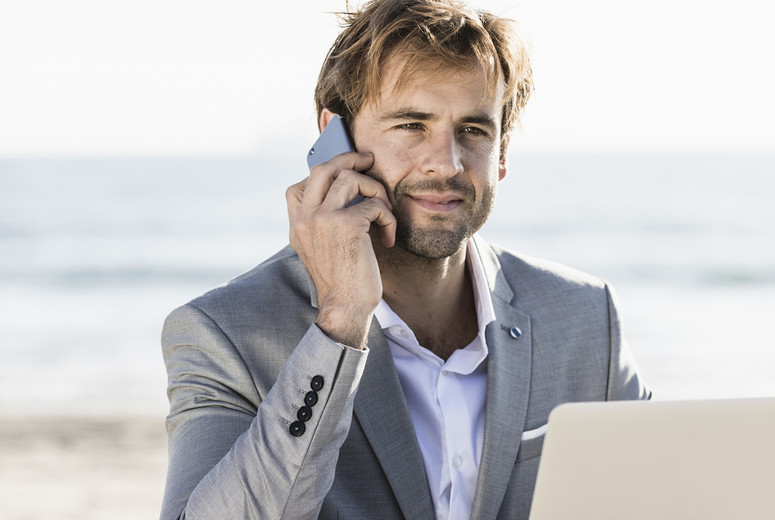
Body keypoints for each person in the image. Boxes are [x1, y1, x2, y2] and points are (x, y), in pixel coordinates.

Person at [160, 1, 651, 519]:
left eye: (474, 130)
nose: (446, 162)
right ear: (335, 140)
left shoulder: (587, 319)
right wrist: (340, 323)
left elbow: (661, 497)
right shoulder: (224, 335)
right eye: (412, 124)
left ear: (502, 151)